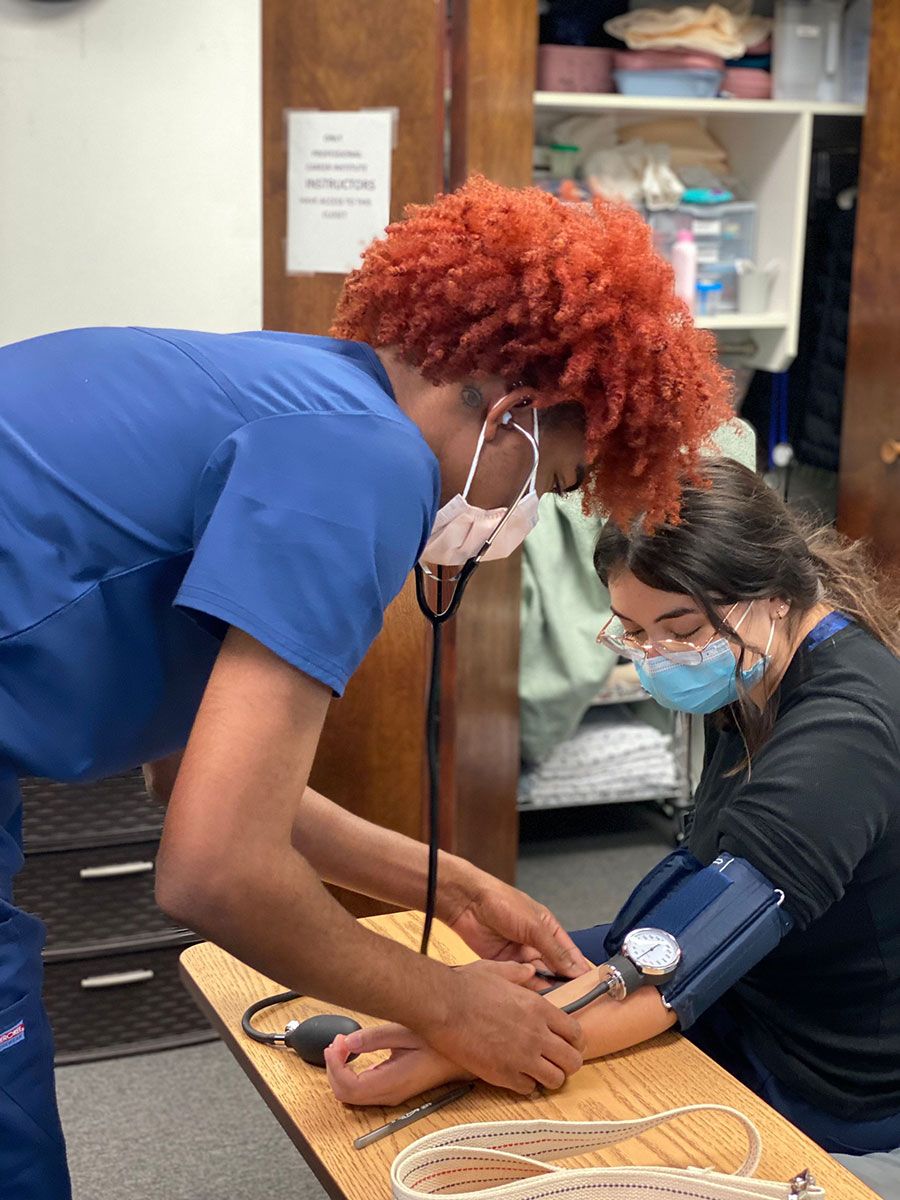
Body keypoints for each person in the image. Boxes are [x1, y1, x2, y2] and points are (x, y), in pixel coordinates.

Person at [0, 175, 730, 1197]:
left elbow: (207, 789)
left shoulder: (306, 392)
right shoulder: (365, 466)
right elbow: (213, 870)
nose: (525, 521)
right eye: (552, 486)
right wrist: (445, 1002)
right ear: (513, 420)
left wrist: (459, 886)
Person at [325, 457, 900, 1163]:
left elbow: (702, 940)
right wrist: (471, 1002)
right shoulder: (759, 669)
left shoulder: (844, 731)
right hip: (752, 1002)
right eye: (633, 629)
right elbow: (699, 884)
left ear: (774, 594)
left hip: (828, 1078)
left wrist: (462, 1045)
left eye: (682, 629)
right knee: (519, 983)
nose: (659, 655)